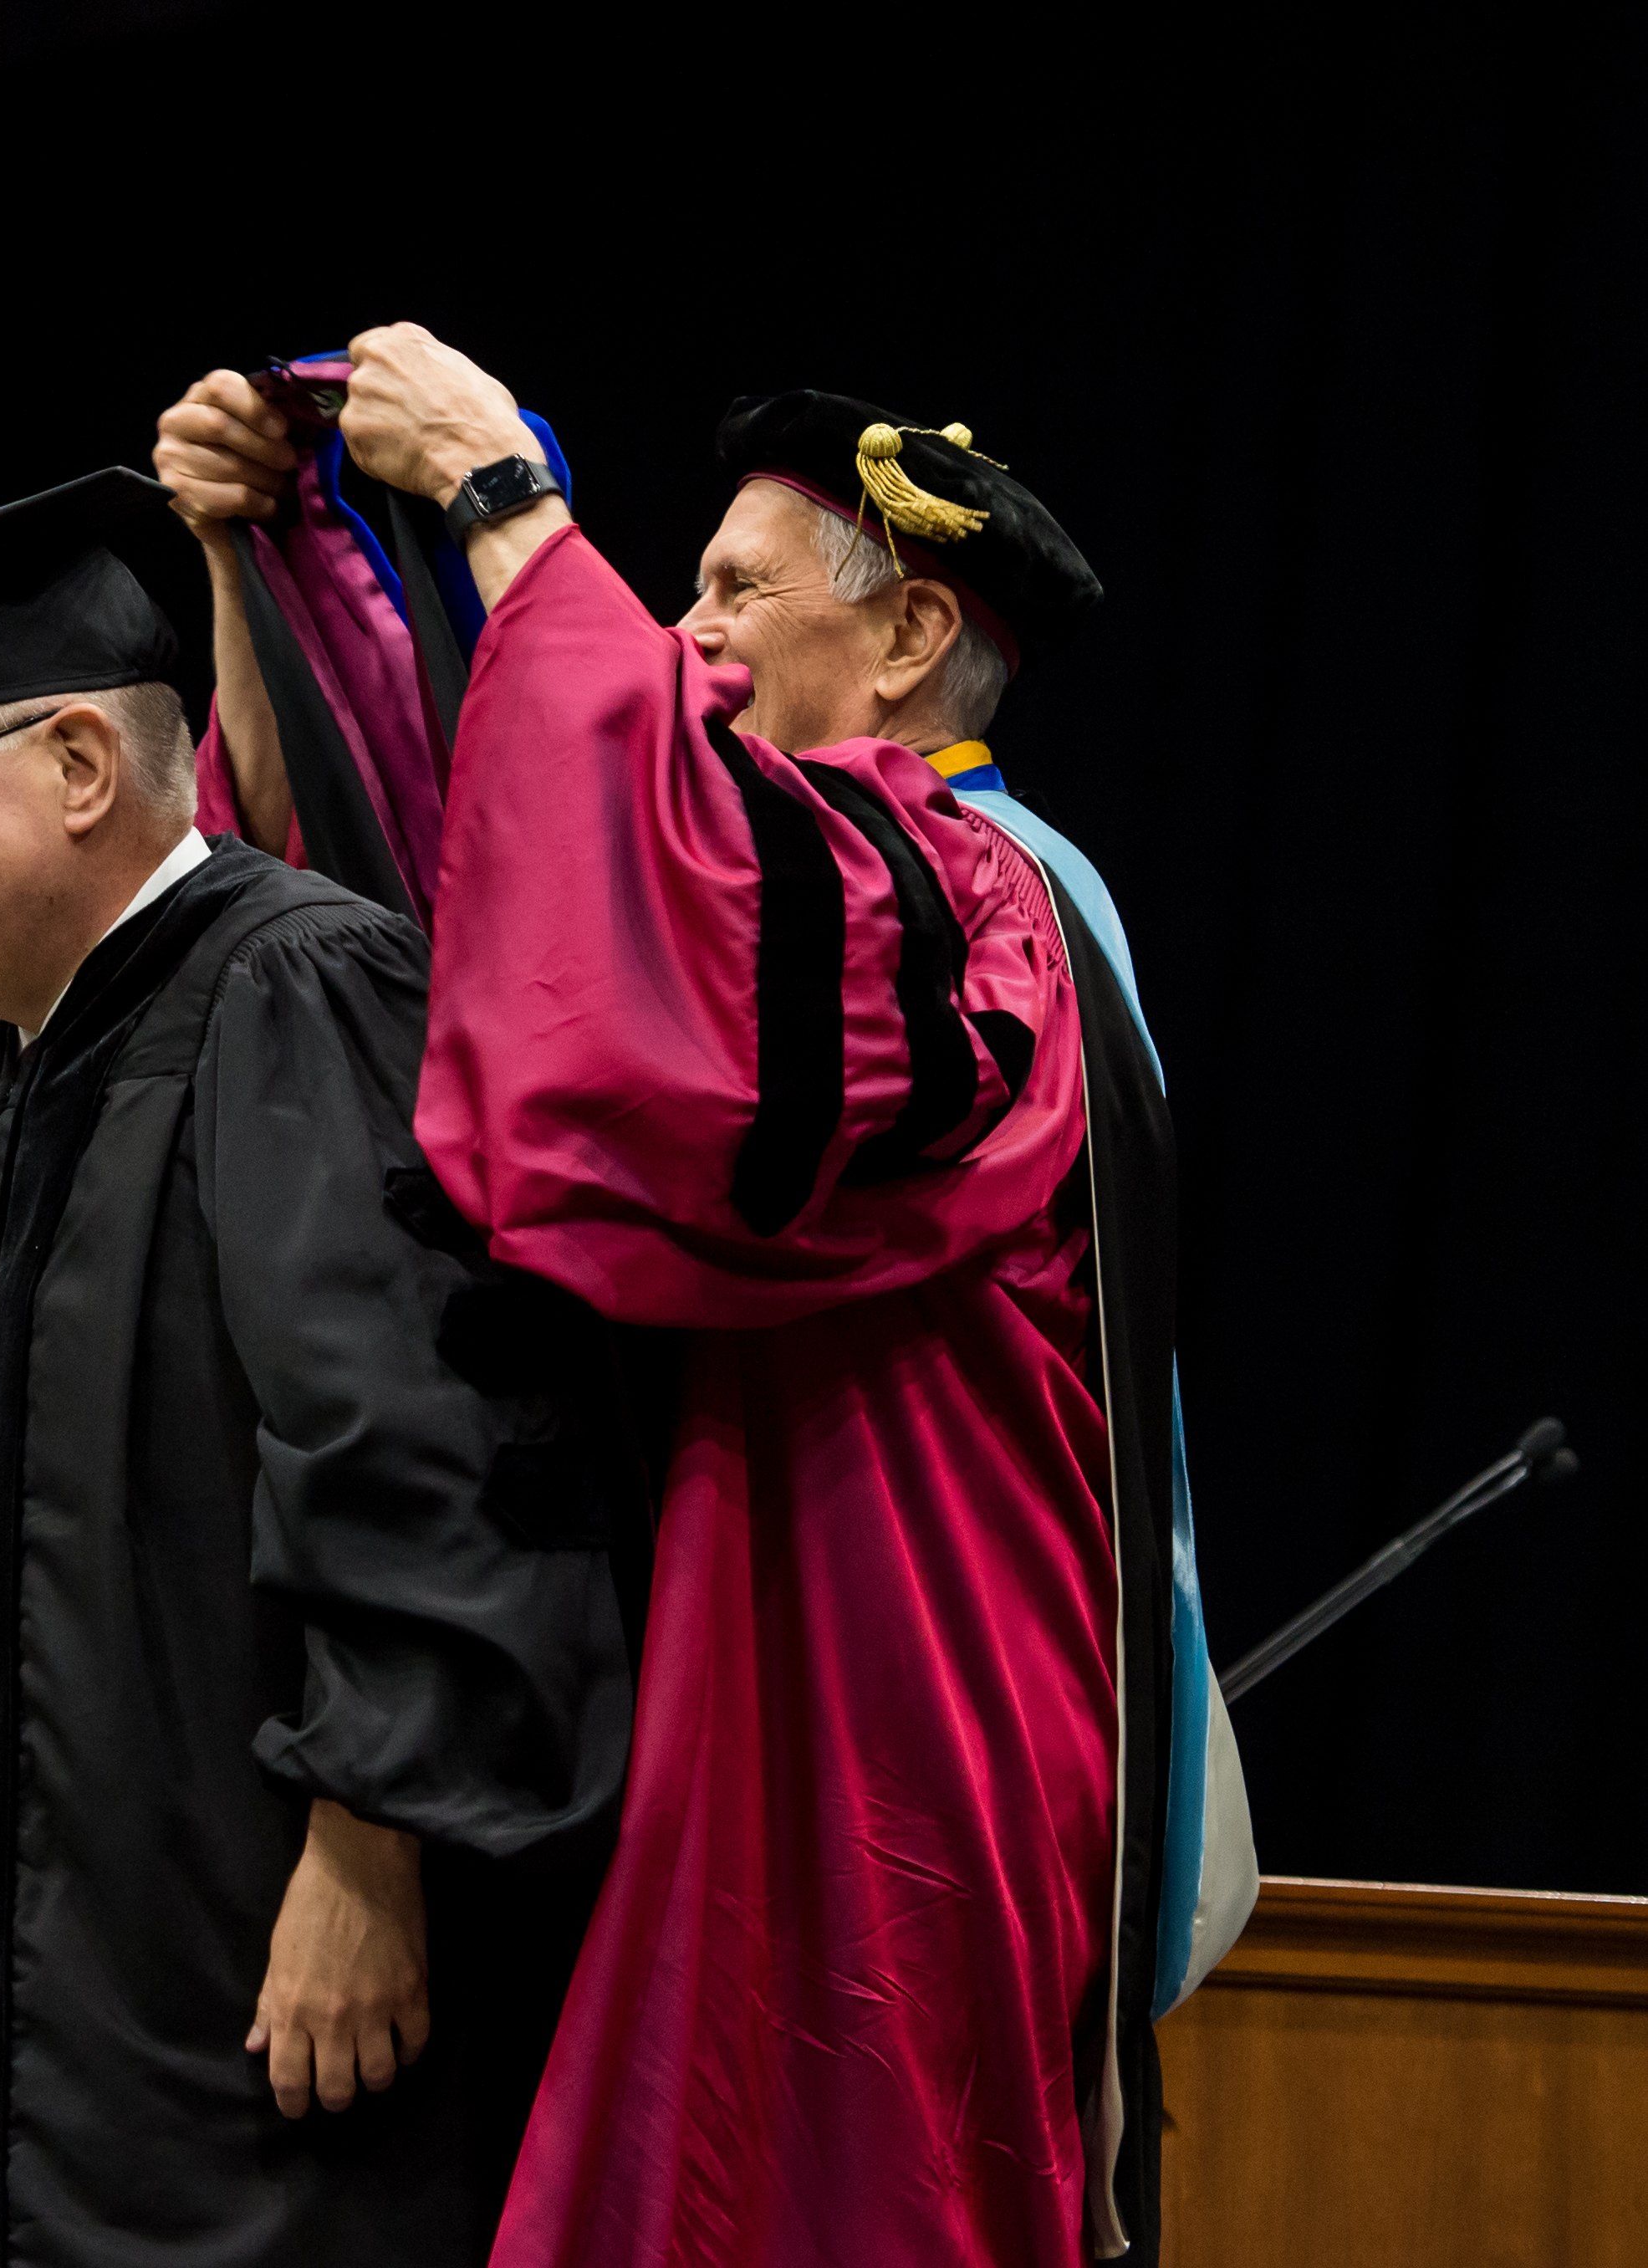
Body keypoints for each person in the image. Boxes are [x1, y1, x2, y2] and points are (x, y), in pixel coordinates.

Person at [212, 338, 1257, 2266]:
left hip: (897, 1719)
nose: (681, 638)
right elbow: (510, 885)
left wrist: (501, 504)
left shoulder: (984, 905)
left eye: (731, 591)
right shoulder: (877, 879)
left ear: (912, 632)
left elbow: (680, 964)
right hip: (774, 1668)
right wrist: (291, 553)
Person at [0, 471, 648, 2266]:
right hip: (24, 2000)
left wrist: (372, 1847)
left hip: (244, 1981)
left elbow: (416, 1447)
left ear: (82, 763)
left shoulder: (298, 991)